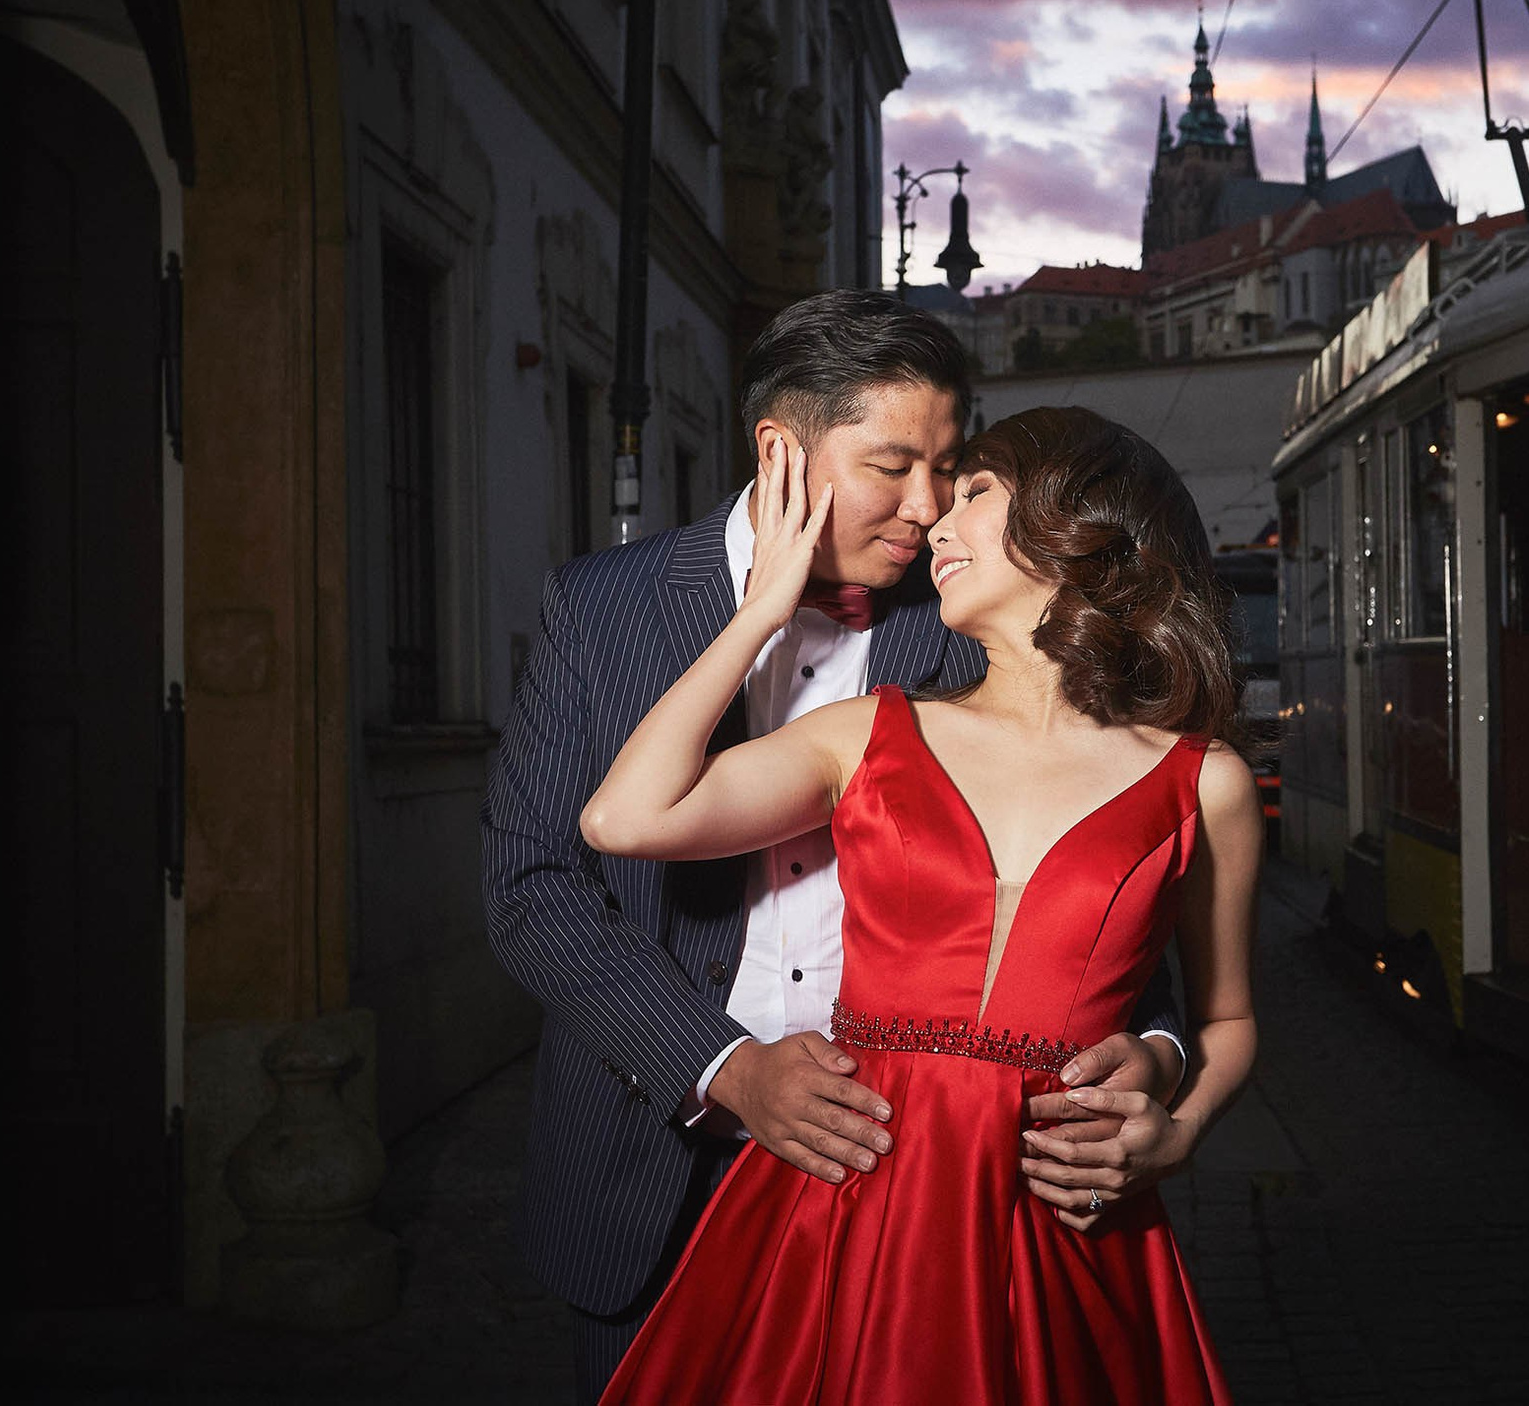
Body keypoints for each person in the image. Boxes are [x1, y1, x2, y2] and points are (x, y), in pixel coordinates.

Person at [482, 295, 1190, 1404]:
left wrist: (1155, 1057)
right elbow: (532, 884)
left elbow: (1118, 877)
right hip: (648, 1162)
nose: (928, 507)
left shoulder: (966, 611)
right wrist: (727, 1069)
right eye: (894, 464)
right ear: (782, 449)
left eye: (950, 468)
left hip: (912, 1195)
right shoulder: (602, 608)